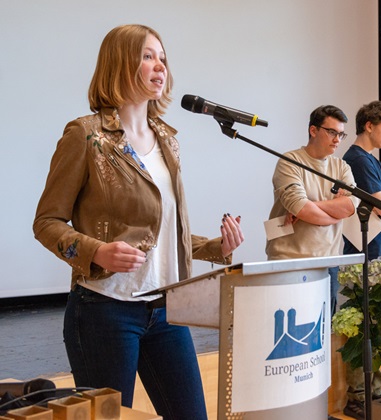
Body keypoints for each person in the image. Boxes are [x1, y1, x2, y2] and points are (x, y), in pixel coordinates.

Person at [32, 25, 244, 419]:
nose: (159, 66)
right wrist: (97, 251)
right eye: (148, 56)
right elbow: (47, 222)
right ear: (119, 63)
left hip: (165, 309)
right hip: (103, 312)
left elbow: (164, 232)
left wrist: (218, 248)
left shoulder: (167, 138)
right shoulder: (86, 136)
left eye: (162, 58)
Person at [265, 105, 358, 315]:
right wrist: (329, 214)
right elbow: (302, 208)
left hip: (328, 260)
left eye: (341, 134)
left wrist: (311, 206)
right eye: (332, 132)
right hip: (290, 261)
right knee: (287, 329)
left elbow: (350, 205)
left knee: (324, 330)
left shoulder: (341, 167)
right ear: (313, 130)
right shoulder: (290, 162)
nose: (337, 139)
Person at [341, 100, 381, 419]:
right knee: (363, 325)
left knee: (374, 323)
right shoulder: (357, 160)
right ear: (369, 126)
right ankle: (359, 394)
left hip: (378, 249)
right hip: (365, 252)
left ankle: (374, 388)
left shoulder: (370, 160)